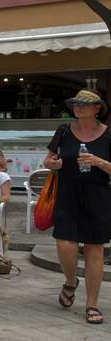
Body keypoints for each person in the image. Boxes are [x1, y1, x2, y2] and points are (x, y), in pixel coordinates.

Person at [44, 88, 111, 324]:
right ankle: (71, 282)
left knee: (94, 249)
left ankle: (92, 303)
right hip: (67, 193)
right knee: (65, 244)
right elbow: (48, 160)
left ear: (97, 109)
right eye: (76, 104)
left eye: (83, 104)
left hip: (98, 196)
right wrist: (52, 164)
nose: (78, 107)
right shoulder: (63, 130)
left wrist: (99, 162)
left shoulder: (108, 135)